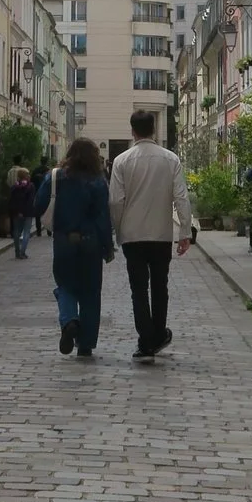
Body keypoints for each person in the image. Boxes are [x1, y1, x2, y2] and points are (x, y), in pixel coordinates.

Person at [108, 109, 194, 360]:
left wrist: (119, 228)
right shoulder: (170, 159)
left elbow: (115, 201)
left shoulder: (122, 161)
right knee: (160, 285)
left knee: (138, 289)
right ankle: (157, 334)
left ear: (132, 130)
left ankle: (146, 338)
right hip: (160, 234)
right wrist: (185, 232)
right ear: (154, 129)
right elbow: (181, 197)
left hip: (133, 235)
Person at [32, 140, 113, 357]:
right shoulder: (98, 181)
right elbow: (104, 216)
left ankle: (69, 321)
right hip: (91, 241)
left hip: (64, 240)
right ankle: (85, 344)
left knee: (65, 284)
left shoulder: (56, 177)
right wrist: (108, 246)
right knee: (91, 292)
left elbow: (38, 205)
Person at [7, 167, 37, 258]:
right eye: (27, 174)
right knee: (26, 232)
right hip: (27, 213)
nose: (29, 175)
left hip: (16, 213)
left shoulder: (14, 187)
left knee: (16, 232)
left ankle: (17, 252)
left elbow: (12, 201)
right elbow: (30, 201)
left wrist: (17, 211)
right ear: (25, 176)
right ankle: (22, 252)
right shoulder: (30, 186)